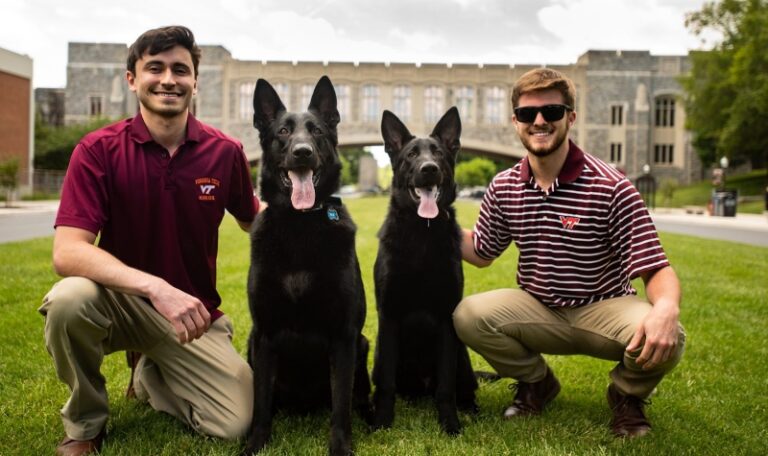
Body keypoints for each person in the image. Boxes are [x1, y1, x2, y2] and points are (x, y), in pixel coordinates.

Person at [40, 26, 259, 456]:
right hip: (118, 301)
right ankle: (85, 424)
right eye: (154, 68)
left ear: (196, 81)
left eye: (181, 70)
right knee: (68, 300)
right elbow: (67, 251)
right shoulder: (97, 150)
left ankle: (148, 373)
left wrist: (313, 208)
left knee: (234, 423)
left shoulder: (225, 152)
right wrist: (155, 288)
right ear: (132, 79)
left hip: (191, 316)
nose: (168, 80)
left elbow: (255, 219)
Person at [453, 68, 685, 438]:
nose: (540, 121)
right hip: (539, 309)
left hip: (604, 308)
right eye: (528, 114)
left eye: (552, 112)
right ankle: (537, 383)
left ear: (570, 117)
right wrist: (430, 218)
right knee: (468, 315)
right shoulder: (504, 186)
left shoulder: (611, 186)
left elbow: (655, 268)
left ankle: (627, 395)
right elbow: (481, 251)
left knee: (668, 334)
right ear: (516, 122)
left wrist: (666, 309)